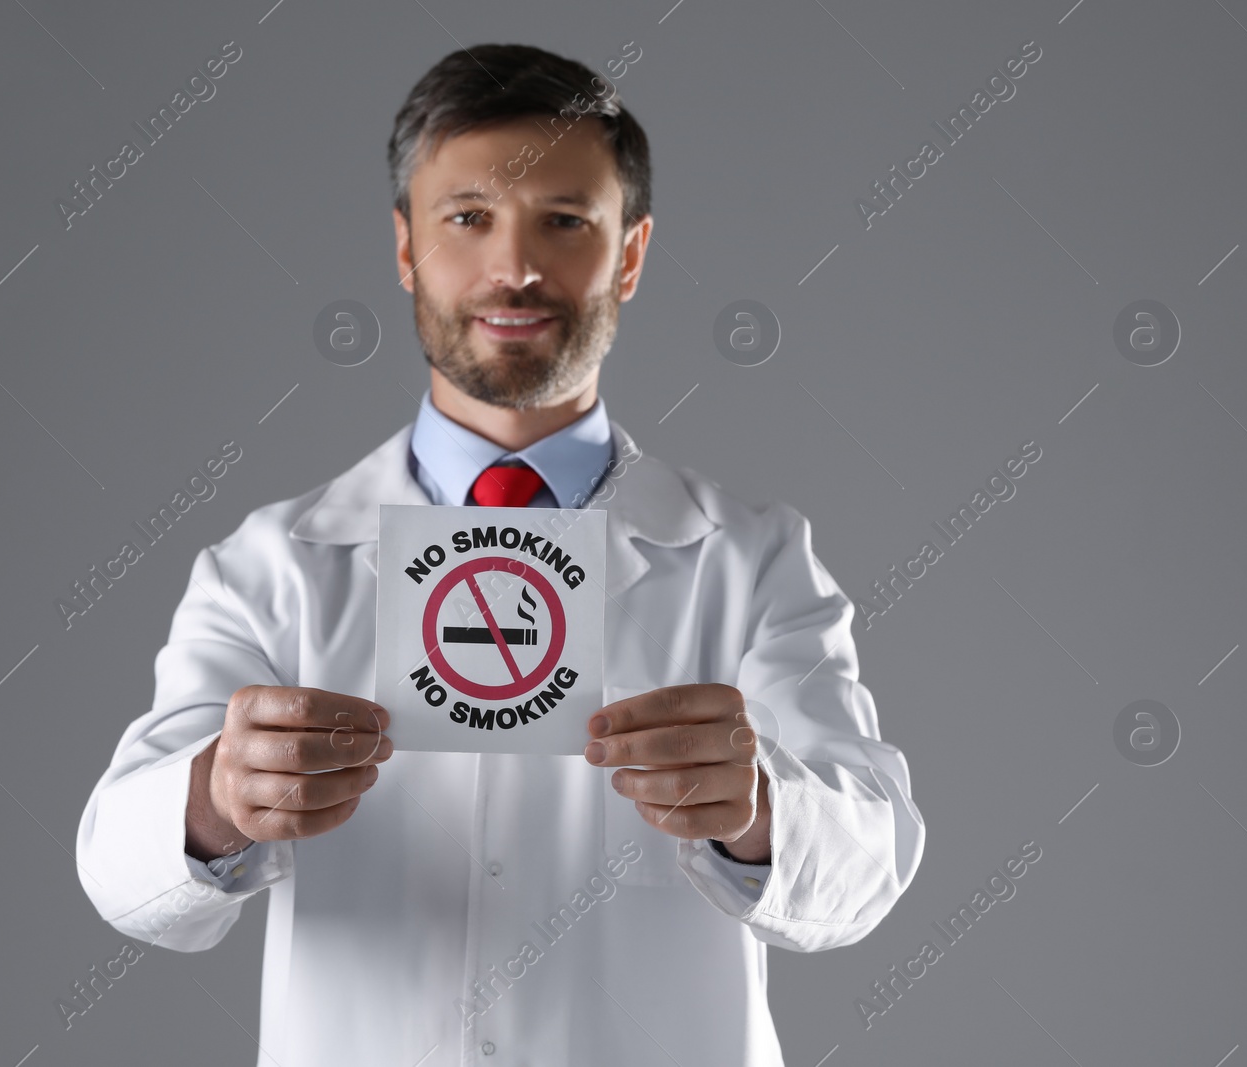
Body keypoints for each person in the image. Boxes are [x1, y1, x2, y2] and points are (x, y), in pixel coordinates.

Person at [76, 42, 924, 1066]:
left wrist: (757, 810)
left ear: (631, 253)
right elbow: (118, 868)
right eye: (466, 217)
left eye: (564, 221)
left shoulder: (751, 561)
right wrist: (214, 798)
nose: (513, 267)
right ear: (404, 249)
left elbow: (870, 863)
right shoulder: (271, 566)